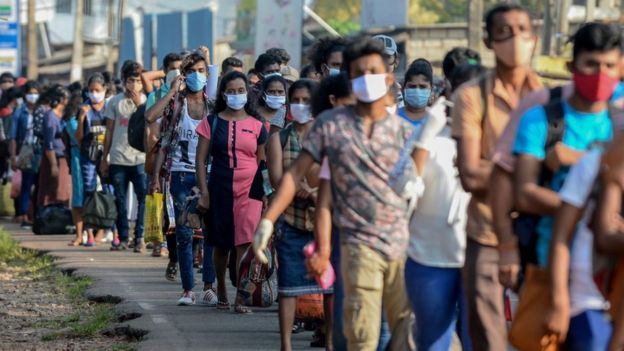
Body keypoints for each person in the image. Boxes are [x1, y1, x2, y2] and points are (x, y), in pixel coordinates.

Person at [289, 37, 415, 350]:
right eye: (359, 73)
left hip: (403, 247)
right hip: (357, 245)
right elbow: (320, 194)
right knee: (363, 333)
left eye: (374, 71)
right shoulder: (333, 127)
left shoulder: (403, 131)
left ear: (389, 77)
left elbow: (417, 186)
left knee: (406, 330)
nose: (367, 79)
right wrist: (321, 246)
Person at [510, 22, 621, 349]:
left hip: (609, 275)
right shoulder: (541, 119)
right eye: (591, 65)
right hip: (548, 268)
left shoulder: (620, 123)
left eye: (609, 66)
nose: (600, 74)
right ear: (573, 67)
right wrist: (584, 209)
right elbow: (525, 193)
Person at [451, 4, 542, 349]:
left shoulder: (549, 99)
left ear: (534, 38)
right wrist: (531, 173)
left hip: (541, 229)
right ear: (489, 41)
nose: (515, 39)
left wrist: (499, 169)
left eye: (522, 30)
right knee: (487, 335)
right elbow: (471, 175)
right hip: (486, 232)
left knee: (544, 331)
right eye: (504, 32)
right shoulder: (471, 96)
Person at [403, 66, 481, 351]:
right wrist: (424, 137)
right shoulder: (430, 137)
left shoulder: (495, 135)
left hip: (477, 255)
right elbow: (405, 189)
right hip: (429, 259)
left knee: (477, 339)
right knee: (433, 340)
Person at [266, 79, 333, 351]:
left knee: (329, 286)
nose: (301, 105)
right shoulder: (278, 138)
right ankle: (286, 344)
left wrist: (315, 192)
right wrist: (301, 189)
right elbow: (276, 180)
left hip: (323, 221)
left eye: (307, 100)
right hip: (291, 221)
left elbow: (335, 175)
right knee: (288, 286)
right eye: (297, 100)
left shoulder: (327, 136)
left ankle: (329, 340)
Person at [195, 71, 267, 314]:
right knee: (221, 244)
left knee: (244, 244)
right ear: (224, 94)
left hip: (250, 191)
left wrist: (265, 196)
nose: (237, 95)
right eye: (232, 91)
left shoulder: (258, 126)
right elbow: (201, 160)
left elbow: (261, 164)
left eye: (241, 90)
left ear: (247, 93)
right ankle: (222, 292)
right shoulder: (211, 122)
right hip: (219, 187)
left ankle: (240, 298)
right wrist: (204, 192)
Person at [149, 52, 217, 306]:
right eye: (191, 72)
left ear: (207, 75)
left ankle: (209, 286)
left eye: (201, 71)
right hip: (180, 174)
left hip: (209, 175)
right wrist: (170, 92)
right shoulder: (176, 104)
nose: (196, 76)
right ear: (184, 76)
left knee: (211, 232)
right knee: (184, 232)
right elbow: (151, 120)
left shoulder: (213, 106)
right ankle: (188, 289)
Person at [101, 60, 148, 252]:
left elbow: (149, 126)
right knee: (120, 199)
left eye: (138, 81)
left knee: (143, 199)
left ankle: (140, 237)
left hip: (140, 159)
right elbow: (109, 131)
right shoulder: (114, 102)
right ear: (124, 81)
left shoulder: (147, 101)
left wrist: (139, 106)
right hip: (119, 157)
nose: (134, 85)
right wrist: (105, 158)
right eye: (131, 80)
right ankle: (122, 238)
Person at [144, 52, 183, 259]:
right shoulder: (158, 96)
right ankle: (163, 244)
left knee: (184, 212)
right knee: (162, 206)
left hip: (185, 162)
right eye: (172, 68)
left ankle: (182, 251)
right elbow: (150, 124)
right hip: (162, 156)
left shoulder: (191, 96)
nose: (177, 72)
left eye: (180, 68)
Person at [65, 74, 108, 247]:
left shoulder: (109, 108)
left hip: (105, 157)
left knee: (108, 192)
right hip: (86, 157)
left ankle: (111, 232)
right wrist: (82, 118)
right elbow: (79, 138)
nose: (94, 94)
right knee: (88, 193)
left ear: (105, 90)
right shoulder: (84, 109)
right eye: (91, 90)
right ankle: (88, 234)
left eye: (97, 90)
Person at [9, 80, 40, 228]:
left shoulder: (42, 110)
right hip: (25, 150)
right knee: (26, 183)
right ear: (25, 94)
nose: (33, 96)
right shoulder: (19, 111)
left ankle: (36, 214)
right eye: (30, 93)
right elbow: (13, 136)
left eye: (35, 93)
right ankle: (23, 214)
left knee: (39, 183)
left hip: (40, 150)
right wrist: (13, 156)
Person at [37, 85, 71, 209]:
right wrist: (53, 165)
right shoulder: (50, 116)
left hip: (64, 157)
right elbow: (49, 142)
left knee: (63, 190)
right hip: (54, 158)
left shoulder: (63, 115)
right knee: (51, 191)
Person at [399, 59, 434, 128]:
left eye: (422, 87)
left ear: (431, 89)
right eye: (412, 86)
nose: (417, 91)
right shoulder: (394, 116)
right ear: (403, 88)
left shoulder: (435, 119)